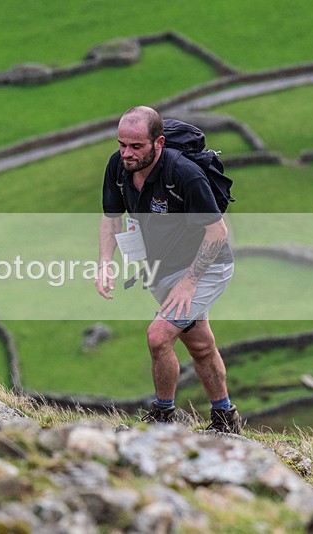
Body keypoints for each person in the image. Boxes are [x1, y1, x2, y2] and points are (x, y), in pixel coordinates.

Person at [95, 105, 240, 433]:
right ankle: (225, 417)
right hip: (160, 269)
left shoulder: (184, 175)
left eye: (136, 146)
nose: (126, 154)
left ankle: (163, 417)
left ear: (158, 143)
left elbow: (217, 232)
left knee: (159, 336)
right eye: (121, 144)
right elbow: (111, 217)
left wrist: (188, 284)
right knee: (200, 346)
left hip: (206, 267)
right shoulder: (118, 167)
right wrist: (105, 264)